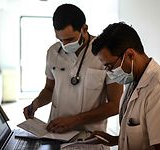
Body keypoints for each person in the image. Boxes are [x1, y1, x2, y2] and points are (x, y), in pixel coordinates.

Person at [23, 3, 123, 145]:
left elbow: (115, 104)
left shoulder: (105, 54)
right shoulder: (53, 52)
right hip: (55, 133)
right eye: (60, 39)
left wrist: (76, 120)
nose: (64, 45)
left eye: (69, 40)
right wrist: (36, 103)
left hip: (89, 137)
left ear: (84, 29)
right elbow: (49, 89)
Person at [87, 22, 160, 150]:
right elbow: (144, 136)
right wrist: (115, 140)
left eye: (109, 66)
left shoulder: (159, 90)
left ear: (130, 55)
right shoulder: (133, 82)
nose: (109, 73)